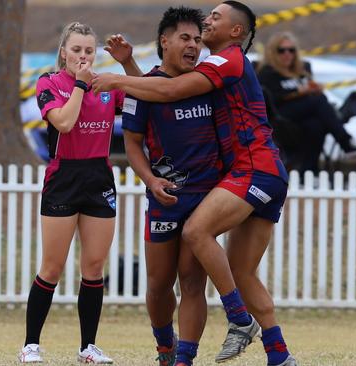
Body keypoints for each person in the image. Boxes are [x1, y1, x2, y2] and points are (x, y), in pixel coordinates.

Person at [92, 2, 298, 365]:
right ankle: (279, 354)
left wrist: (117, 78)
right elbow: (158, 89)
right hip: (226, 180)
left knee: (196, 237)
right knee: (230, 274)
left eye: (213, 19)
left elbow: (168, 91)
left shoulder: (224, 61)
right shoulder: (206, 71)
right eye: (185, 36)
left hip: (249, 173)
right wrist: (128, 66)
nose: (205, 25)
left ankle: (235, 321)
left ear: (236, 31)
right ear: (164, 41)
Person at [105, 7, 213, 366]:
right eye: (185, 38)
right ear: (164, 41)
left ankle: (184, 358)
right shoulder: (142, 86)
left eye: (198, 40)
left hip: (206, 198)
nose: (193, 46)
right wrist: (150, 180)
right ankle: (164, 345)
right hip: (165, 199)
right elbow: (133, 143)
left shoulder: (207, 81)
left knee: (193, 281)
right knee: (158, 283)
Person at [19, 22, 124, 364]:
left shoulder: (107, 85)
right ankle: (31, 345)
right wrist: (80, 85)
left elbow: (145, 97)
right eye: (76, 50)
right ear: (63, 51)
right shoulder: (49, 82)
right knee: (52, 266)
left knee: (94, 266)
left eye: (89, 51)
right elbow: (63, 122)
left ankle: (88, 347)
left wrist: (126, 66)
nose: (83, 56)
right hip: (64, 176)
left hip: (99, 176)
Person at [257, 31, 356, 173]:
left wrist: (315, 89)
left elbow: (310, 94)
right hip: (281, 115)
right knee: (318, 101)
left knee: (316, 125)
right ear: (273, 52)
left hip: (304, 114)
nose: (287, 54)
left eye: (291, 50)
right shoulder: (266, 72)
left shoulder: (303, 69)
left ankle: (309, 171)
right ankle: (346, 142)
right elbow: (270, 98)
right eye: (281, 50)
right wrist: (298, 93)